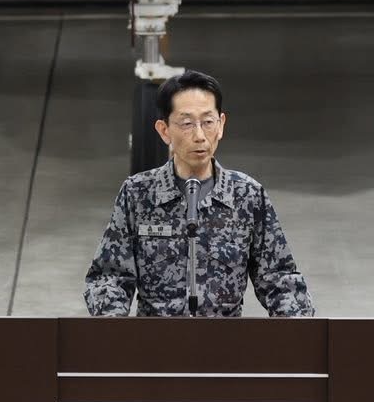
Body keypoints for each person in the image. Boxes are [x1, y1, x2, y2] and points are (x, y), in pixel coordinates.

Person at [83, 70, 315, 317]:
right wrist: (113, 334)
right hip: (154, 347)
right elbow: (109, 278)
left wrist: (296, 331)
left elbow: (280, 279)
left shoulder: (247, 196)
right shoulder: (138, 194)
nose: (200, 136)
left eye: (208, 122)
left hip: (225, 347)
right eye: (186, 124)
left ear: (221, 125)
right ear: (164, 130)